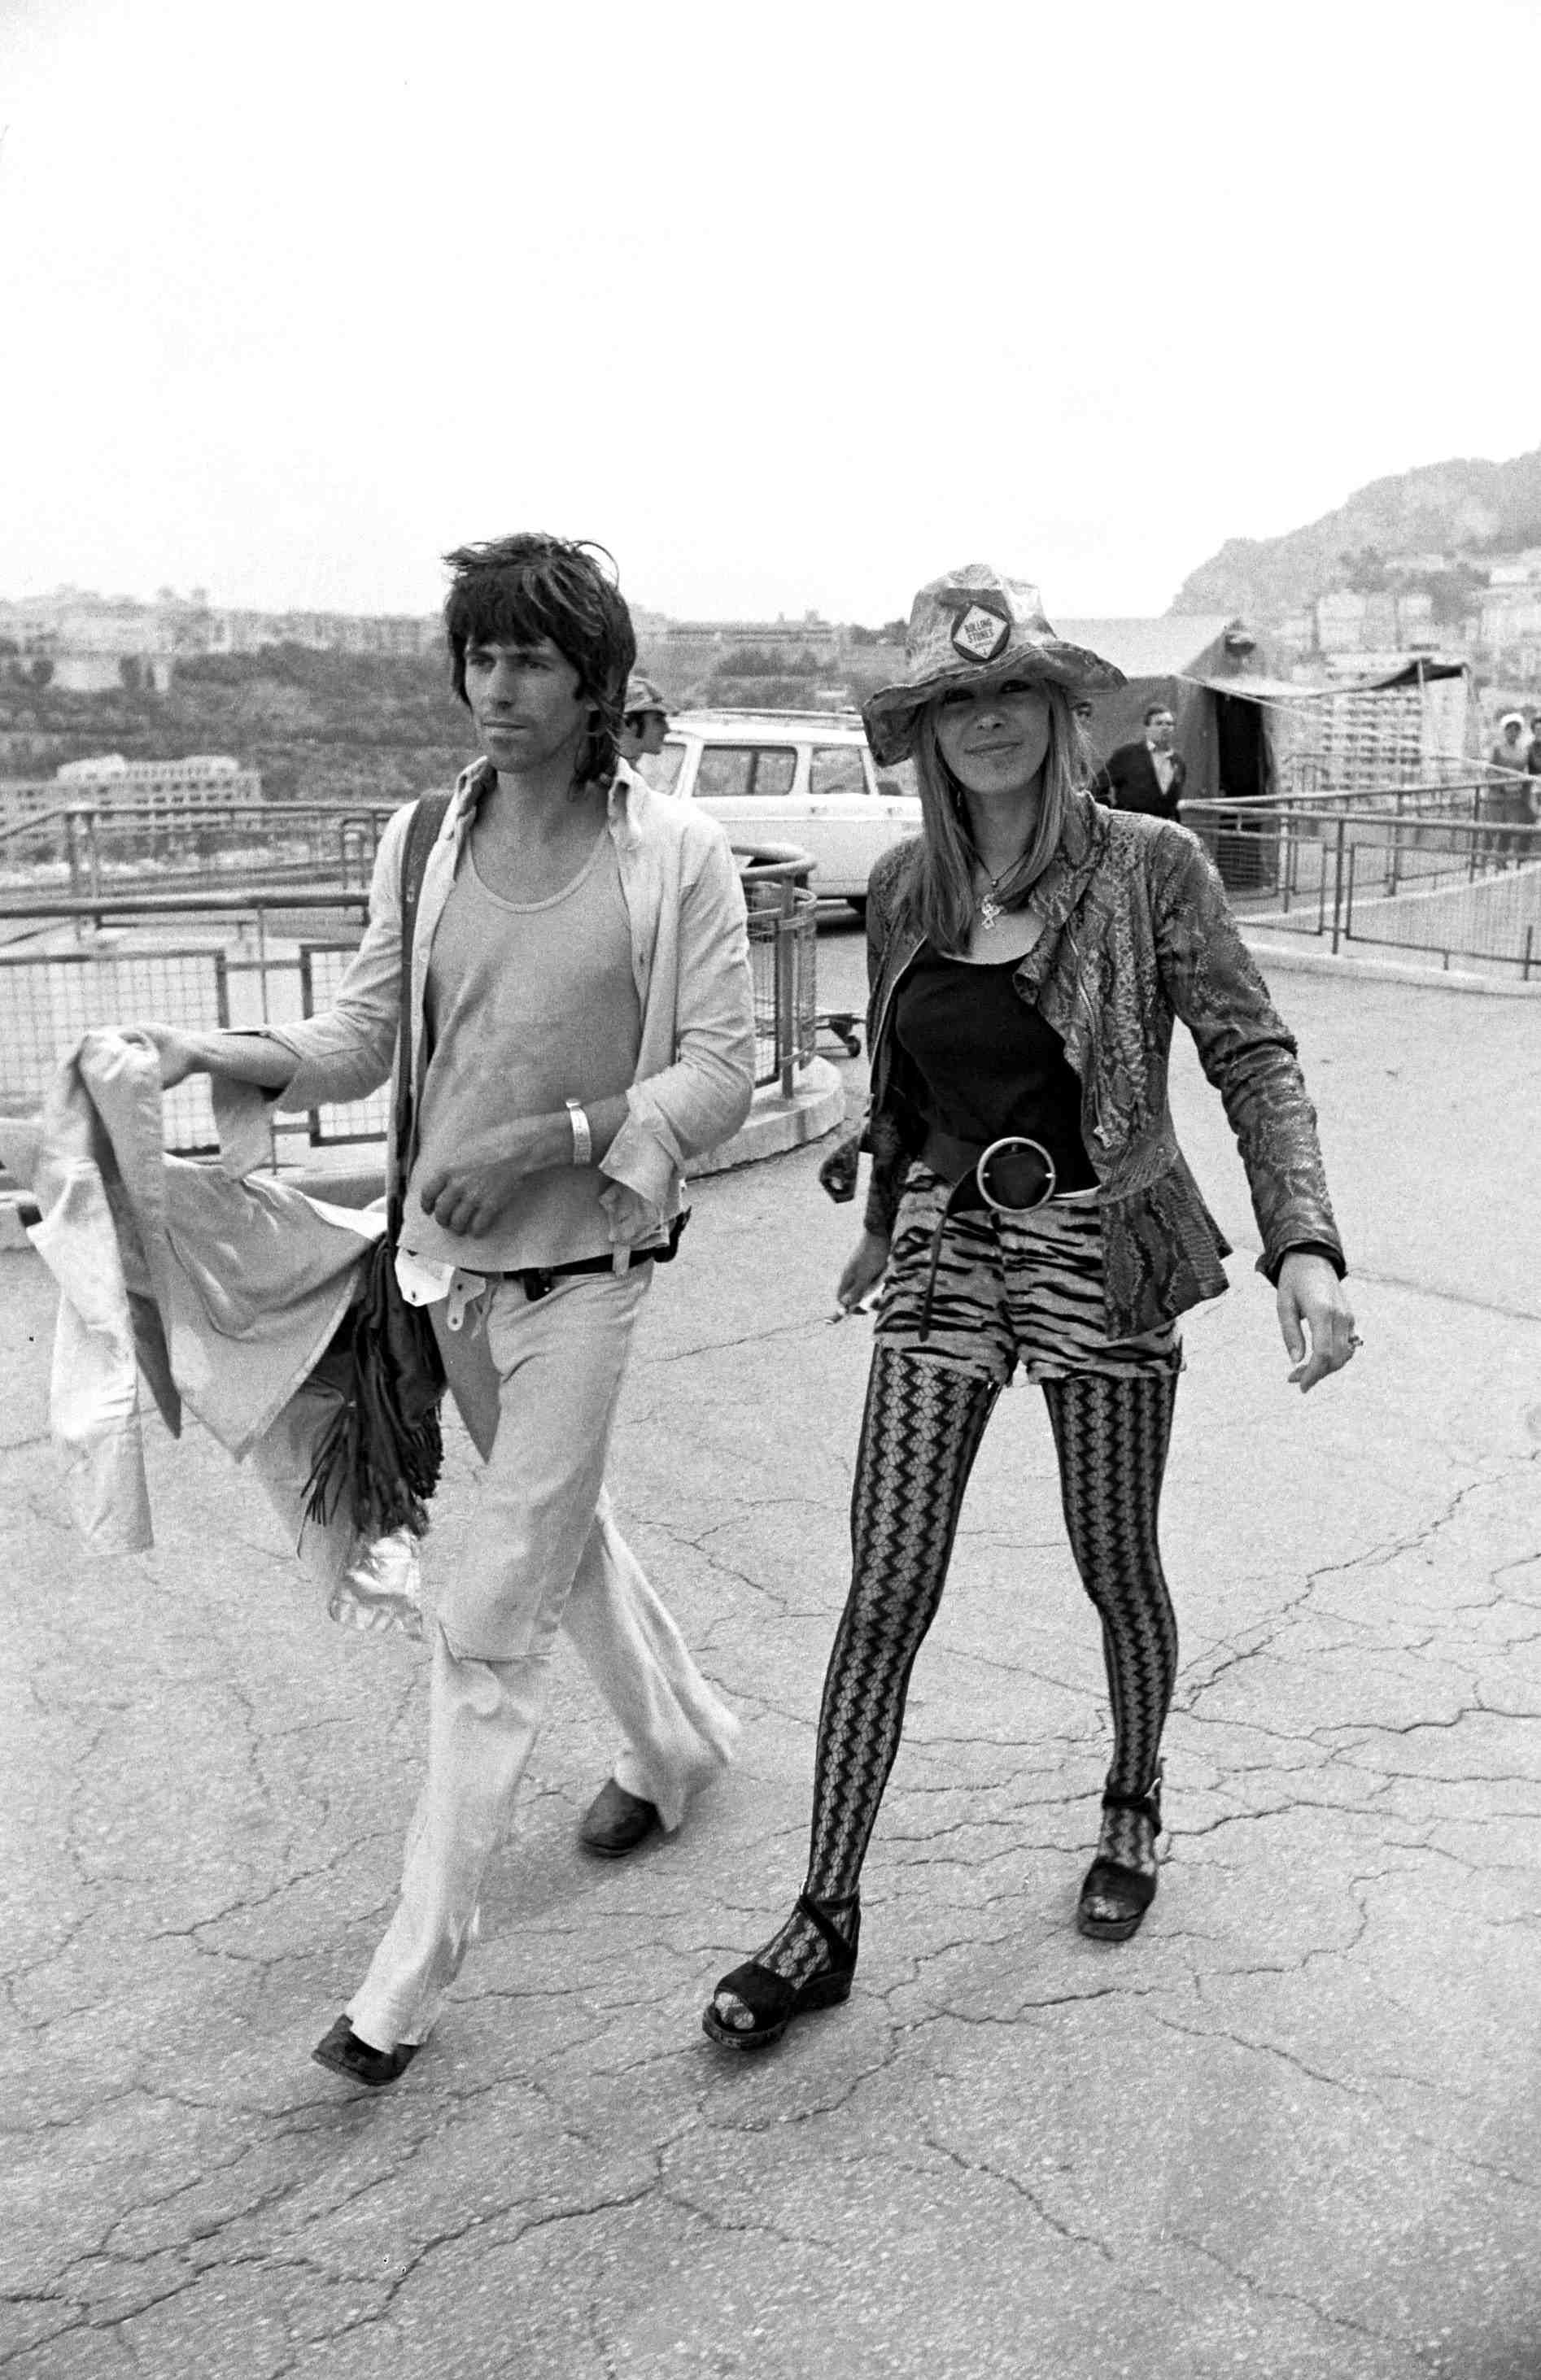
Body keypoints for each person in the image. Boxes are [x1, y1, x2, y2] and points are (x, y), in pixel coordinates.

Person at [703, 562, 1355, 2054]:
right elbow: (899, 1085)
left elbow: (1250, 1055)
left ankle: (1128, 1810)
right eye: (953, 700)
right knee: (883, 1587)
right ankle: (824, 1916)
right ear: (923, 730)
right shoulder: (906, 887)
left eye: (1008, 693)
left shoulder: (1147, 867)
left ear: (1057, 711)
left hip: (1098, 1247)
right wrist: (878, 1222)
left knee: (1111, 1561)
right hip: (946, 1252)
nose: (984, 721)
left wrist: (1298, 1244)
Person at [142, 534, 757, 2086]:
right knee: (563, 1531)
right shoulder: (421, 841)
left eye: (530, 661)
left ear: (594, 682)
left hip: (587, 1280)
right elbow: (360, 1037)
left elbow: (721, 1078)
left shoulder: (674, 854)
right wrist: (227, 1052)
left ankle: (403, 1985)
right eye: (479, 658)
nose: (497, 687)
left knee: (486, 1613)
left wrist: (544, 1137)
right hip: (435, 1279)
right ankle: (675, 1745)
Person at [1094, 700, 1186, 819]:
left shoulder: (1178, 762)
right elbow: (1097, 787)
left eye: (1169, 724)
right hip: (1131, 830)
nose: (1165, 728)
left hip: (1164, 832)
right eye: (1159, 723)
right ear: (1147, 728)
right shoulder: (1127, 755)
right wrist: (1111, 817)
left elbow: (1172, 804)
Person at [1485, 712, 1535, 859]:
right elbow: (1489, 771)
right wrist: (1500, 784)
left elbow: (1526, 772)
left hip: (1515, 797)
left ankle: (1502, 859)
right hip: (1497, 796)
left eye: (1516, 729)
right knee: (1492, 829)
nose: (1513, 732)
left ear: (1519, 732)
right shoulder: (1497, 748)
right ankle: (1482, 862)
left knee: (1509, 829)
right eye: (1510, 729)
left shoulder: (1523, 751)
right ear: (1505, 730)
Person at [618, 674, 672, 773]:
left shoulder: (630, 774)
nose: (667, 729)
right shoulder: (604, 778)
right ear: (629, 724)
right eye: (658, 720)